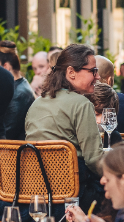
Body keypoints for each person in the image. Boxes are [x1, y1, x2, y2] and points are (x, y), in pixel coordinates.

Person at [25, 44, 106, 209]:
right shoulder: (81, 104)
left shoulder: (37, 102)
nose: (97, 77)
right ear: (71, 72)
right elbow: (94, 160)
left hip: (32, 197)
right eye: (93, 71)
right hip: (71, 197)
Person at [0, 41, 36, 141]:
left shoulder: (18, 93)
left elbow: (8, 133)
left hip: (17, 153)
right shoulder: (21, 85)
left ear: (5, 67)